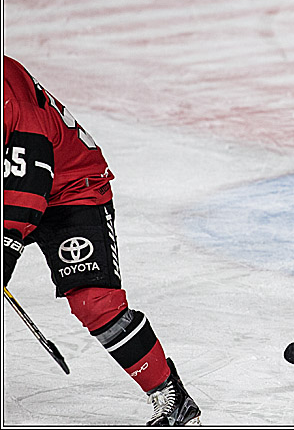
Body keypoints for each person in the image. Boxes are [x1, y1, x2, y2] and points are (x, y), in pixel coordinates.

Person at [3, 55, 202, 426]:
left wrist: (5, 250)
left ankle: (170, 396)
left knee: (95, 302)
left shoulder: (10, 97)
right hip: (16, 187)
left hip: (71, 190)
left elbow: (25, 191)